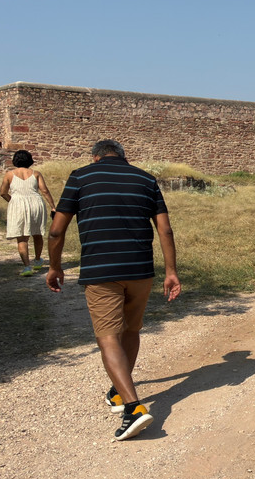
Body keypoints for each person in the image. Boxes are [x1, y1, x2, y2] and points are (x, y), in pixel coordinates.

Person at [46, 139, 181, 441]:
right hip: (140, 270)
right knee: (130, 330)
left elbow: (56, 230)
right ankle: (118, 393)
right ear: (123, 156)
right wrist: (171, 271)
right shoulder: (146, 179)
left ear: (95, 158)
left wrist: (55, 266)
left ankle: (133, 408)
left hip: (101, 271)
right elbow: (165, 229)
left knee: (108, 337)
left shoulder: (80, 176)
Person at [0, 150, 56, 277]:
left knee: (22, 237)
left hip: (18, 204)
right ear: (30, 160)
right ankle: (37, 260)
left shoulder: (9, 174)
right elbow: (45, 191)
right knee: (37, 233)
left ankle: (27, 266)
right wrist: (53, 207)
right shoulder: (36, 173)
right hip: (36, 203)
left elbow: (3, 192)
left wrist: (12, 201)